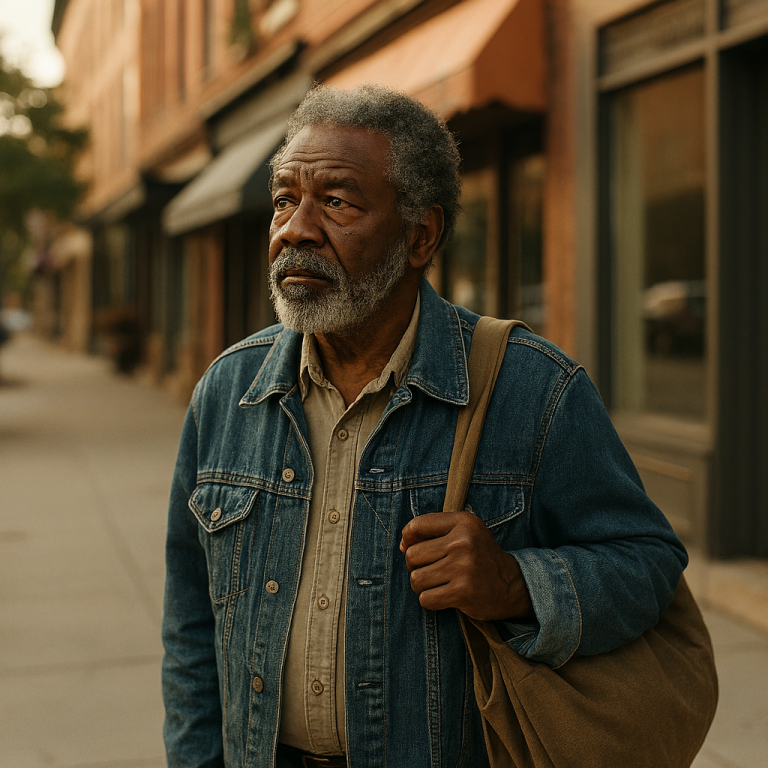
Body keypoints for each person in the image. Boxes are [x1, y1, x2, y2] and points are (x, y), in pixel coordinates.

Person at [161, 84, 688, 768]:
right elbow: (191, 625)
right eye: (285, 200)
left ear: (421, 234)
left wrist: (516, 585)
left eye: (338, 201)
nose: (295, 229)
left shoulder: (534, 389)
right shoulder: (229, 390)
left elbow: (648, 566)